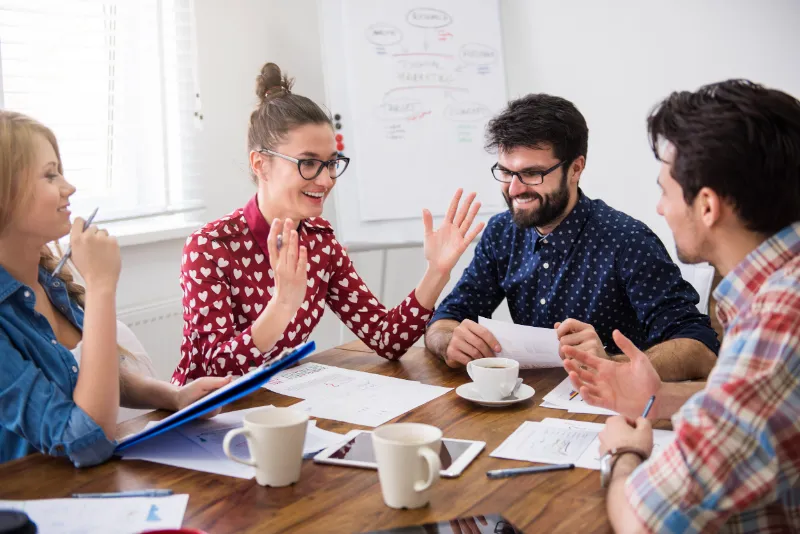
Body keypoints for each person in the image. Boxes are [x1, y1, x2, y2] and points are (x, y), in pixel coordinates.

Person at [564, 80, 800, 533]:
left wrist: (622, 452)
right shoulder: (776, 289)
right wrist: (657, 398)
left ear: (707, 206)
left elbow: (643, 523)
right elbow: (750, 408)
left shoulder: (777, 324)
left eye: (665, 191)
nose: (659, 208)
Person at [171, 63, 483, 384]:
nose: (325, 180)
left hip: (281, 408)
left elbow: (386, 339)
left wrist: (436, 272)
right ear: (261, 164)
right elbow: (211, 370)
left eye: (332, 163)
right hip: (205, 418)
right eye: (308, 163)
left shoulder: (320, 240)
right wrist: (281, 306)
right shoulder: (211, 246)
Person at [424, 94, 719, 380]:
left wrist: (612, 365)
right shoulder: (502, 232)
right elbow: (445, 321)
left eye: (532, 174)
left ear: (575, 168)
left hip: (614, 413)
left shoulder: (627, 240)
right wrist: (449, 340)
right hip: (531, 407)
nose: (514, 190)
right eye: (506, 172)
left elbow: (701, 348)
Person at [0, 111, 231, 467]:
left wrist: (176, 396)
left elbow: (90, 376)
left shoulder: (47, 281)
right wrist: (102, 286)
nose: (69, 187)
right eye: (50, 174)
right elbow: (89, 438)